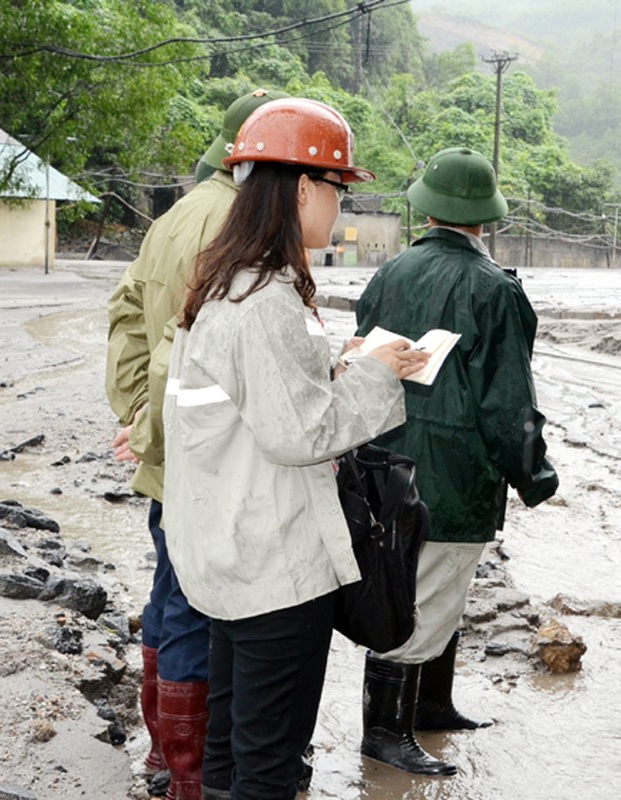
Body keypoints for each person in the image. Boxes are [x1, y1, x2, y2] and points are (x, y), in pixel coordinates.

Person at [160, 97, 430, 800]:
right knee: (270, 763)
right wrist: (375, 371)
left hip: (225, 554)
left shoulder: (223, 282)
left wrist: (334, 365)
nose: (339, 206)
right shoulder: (267, 300)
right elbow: (300, 436)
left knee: (229, 747)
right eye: (338, 189)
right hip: (272, 566)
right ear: (303, 187)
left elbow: (255, 407)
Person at [105, 88, 287, 800]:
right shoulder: (236, 224)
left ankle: (165, 756)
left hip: (167, 449)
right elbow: (181, 347)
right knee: (196, 607)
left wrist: (136, 416)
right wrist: (154, 421)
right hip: (202, 456)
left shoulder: (178, 214)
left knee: (167, 596)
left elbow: (126, 316)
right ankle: (190, 774)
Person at [353, 146, 559, 776]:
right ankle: (386, 733)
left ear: (426, 209)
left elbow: (362, 355)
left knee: (410, 587)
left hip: (386, 462)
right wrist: (534, 473)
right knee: (431, 593)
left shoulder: (390, 273)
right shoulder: (495, 289)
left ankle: (433, 704)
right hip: (454, 473)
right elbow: (508, 404)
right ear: (484, 219)